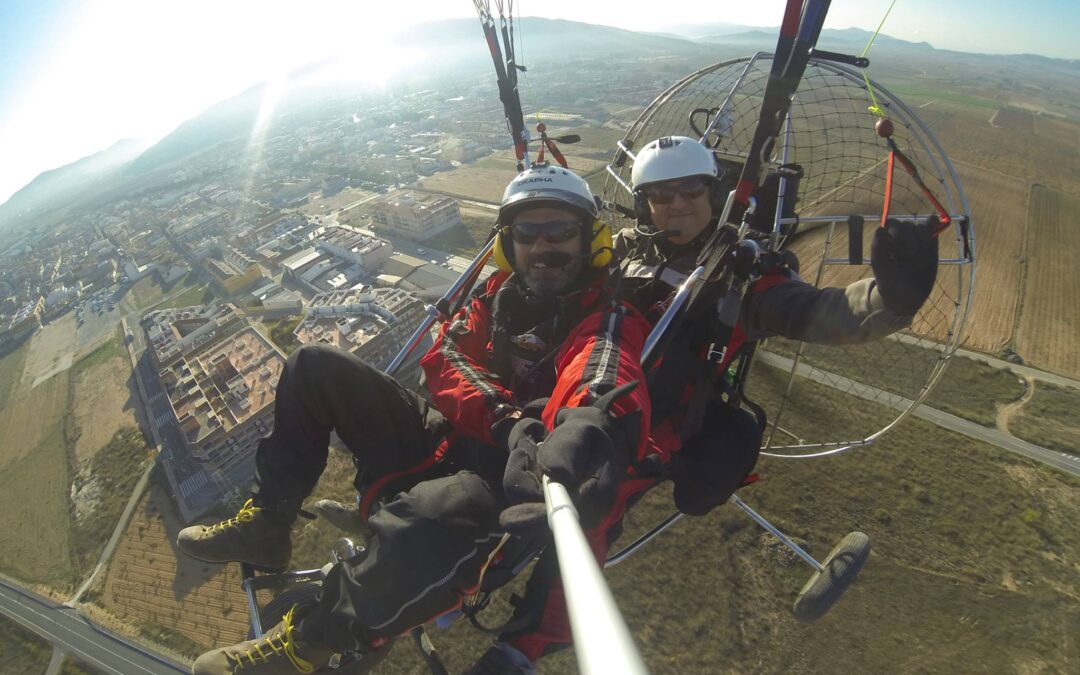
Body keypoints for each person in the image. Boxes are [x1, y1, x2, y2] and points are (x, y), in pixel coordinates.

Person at [176, 164, 654, 675]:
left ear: (591, 241)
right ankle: (268, 523)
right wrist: (505, 419)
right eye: (526, 233)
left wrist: (587, 429)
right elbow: (444, 356)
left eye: (559, 230)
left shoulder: (606, 319)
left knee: (434, 511)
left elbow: (599, 374)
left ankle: (311, 643)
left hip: (512, 478)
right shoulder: (498, 296)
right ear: (506, 244)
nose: (542, 247)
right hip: (454, 438)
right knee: (313, 366)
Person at [617, 135, 940, 515]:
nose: (678, 203)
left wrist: (890, 299)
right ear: (643, 205)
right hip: (599, 386)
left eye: (691, 189)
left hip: (659, 423)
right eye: (661, 194)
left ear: (714, 194)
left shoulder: (742, 278)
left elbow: (819, 312)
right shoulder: (626, 249)